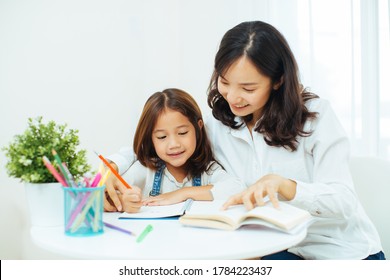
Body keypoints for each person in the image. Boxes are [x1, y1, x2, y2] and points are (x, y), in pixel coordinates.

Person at [106, 21, 385, 260]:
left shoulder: (315, 117)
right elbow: (156, 138)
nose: (233, 97)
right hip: (273, 250)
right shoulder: (216, 123)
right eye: (224, 82)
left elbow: (344, 201)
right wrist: (110, 170)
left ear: (277, 81)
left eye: (248, 88)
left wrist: (285, 186)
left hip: (340, 254)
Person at [104, 88, 245, 213]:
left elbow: (237, 188)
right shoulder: (145, 170)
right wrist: (124, 201)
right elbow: (103, 197)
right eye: (162, 137)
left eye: (182, 133)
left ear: (198, 127)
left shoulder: (208, 171)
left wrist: (183, 193)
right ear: (151, 139)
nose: (174, 144)